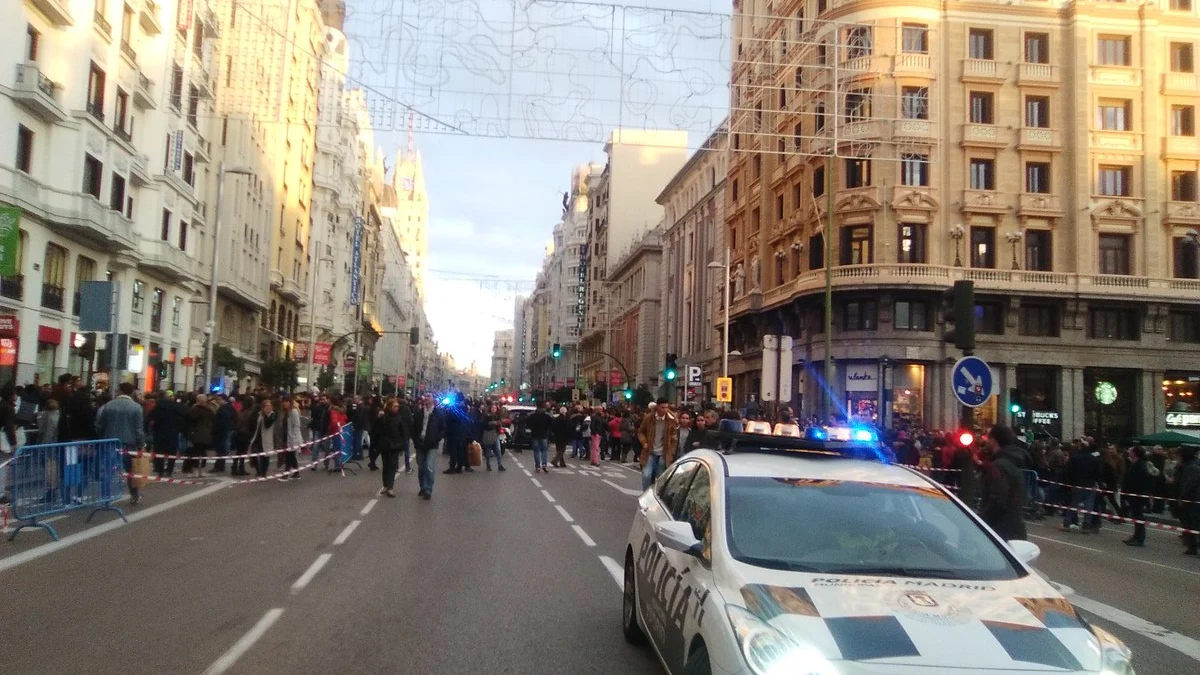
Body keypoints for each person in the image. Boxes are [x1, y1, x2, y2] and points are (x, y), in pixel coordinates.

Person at [95, 382, 146, 505]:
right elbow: (138, 429)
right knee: (130, 471)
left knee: (108, 470)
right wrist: (141, 444)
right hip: (129, 443)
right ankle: (134, 495)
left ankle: (105, 497)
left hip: (110, 441)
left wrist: (101, 437)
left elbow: (100, 425)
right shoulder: (136, 407)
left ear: (120, 391)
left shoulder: (109, 406)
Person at [979, 425, 1028, 541]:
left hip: (999, 531)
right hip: (1015, 527)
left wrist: (981, 522)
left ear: (993, 441)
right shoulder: (1014, 461)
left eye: (988, 438)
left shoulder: (999, 466)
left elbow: (998, 500)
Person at [637, 399, 678, 490]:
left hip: (664, 452)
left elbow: (674, 437)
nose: (665, 410)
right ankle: (646, 494)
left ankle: (658, 496)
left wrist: (672, 451)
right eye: (662, 407)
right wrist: (644, 442)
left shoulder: (670, 419)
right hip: (650, 451)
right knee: (646, 475)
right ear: (657, 407)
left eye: (666, 407)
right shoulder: (649, 418)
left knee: (661, 476)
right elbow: (640, 432)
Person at [375, 397, 411, 497]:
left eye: (397, 406)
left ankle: (390, 487)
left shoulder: (399, 418)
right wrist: (378, 418)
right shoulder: (383, 417)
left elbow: (403, 433)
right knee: (385, 466)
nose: (397, 408)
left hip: (395, 446)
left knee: (392, 466)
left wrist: (402, 446)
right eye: (395, 406)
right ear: (390, 407)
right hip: (384, 445)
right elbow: (377, 430)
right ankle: (385, 485)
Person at [411, 394, 445, 499]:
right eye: (425, 396)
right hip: (420, 443)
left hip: (432, 444)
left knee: (429, 466)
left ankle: (428, 489)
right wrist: (415, 439)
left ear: (433, 400)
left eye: (428, 396)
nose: (426, 398)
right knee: (421, 467)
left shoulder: (438, 413)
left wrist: (436, 438)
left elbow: (443, 429)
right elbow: (413, 427)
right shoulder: (419, 413)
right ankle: (422, 487)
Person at [1122, 446, 1153, 547]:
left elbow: (1139, 481)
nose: (1129, 452)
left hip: (1137, 495)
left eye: (1131, 451)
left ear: (1135, 453)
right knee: (1135, 516)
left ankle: (1140, 538)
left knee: (1138, 516)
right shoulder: (1136, 464)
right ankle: (1136, 535)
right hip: (1133, 494)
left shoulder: (1140, 465)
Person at [248, 399, 278, 478]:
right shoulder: (259, 414)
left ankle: (263, 472)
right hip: (257, 436)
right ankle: (258, 470)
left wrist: (266, 414)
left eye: (269, 406)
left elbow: (267, 424)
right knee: (254, 453)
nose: (268, 407)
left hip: (266, 438)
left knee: (264, 456)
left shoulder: (273, 415)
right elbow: (255, 424)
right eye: (266, 406)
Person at [278, 397, 305, 481]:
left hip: (293, 437)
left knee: (289, 456)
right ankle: (296, 473)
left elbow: (297, 425)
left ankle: (286, 474)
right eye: (283, 402)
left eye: (286, 402)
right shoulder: (286, 412)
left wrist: (293, 437)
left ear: (290, 402)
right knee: (292, 456)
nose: (284, 403)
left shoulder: (294, 411)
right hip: (287, 436)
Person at [526, 402, 552, 473]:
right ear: (543, 408)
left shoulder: (532, 416)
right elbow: (551, 424)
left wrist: (532, 428)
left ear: (536, 407)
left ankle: (537, 466)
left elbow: (528, 423)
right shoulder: (546, 416)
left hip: (535, 435)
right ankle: (544, 464)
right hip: (544, 435)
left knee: (536, 451)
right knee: (544, 451)